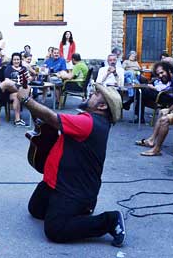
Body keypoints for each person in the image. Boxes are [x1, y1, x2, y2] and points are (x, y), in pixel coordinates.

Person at [17, 83, 126, 247]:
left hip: (74, 190)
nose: (92, 94)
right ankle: (70, 212)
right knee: (36, 209)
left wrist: (26, 99)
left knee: (55, 230)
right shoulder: (91, 121)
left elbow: (53, 118)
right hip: (56, 183)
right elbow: (46, 121)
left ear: (102, 106)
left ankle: (109, 220)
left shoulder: (89, 123)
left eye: (96, 94)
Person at [136, 61, 173, 155]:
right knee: (163, 112)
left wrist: (172, 112)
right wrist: (169, 110)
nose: (160, 76)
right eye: (158, 74)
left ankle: (156, 149)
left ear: (169, 70)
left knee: (165, 119)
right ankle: (151, 140)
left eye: (162, 72)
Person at [4, 53, 31, 126]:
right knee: (17, 94)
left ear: (20, 60)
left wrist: (30, 78)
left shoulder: (24, 69)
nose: (16, 61)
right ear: (12, 60)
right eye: (14, 60)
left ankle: (17, 120)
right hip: (10, 92)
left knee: (17, 96)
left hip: (20, 91)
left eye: (18, 59)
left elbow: (29, 79)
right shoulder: (9, 69)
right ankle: (24, 99)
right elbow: (7, 81)